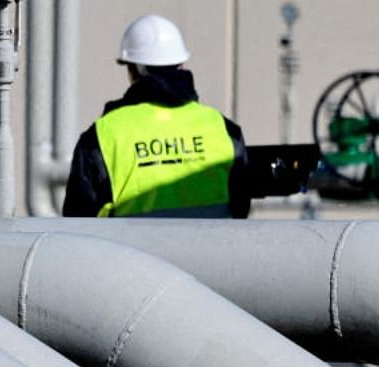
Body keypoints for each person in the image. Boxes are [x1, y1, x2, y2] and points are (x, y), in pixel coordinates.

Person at [63, 14, 250, 218]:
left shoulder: (103, 136)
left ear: (132, 70)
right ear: (182, 65)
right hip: (212, 249)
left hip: (128, 250)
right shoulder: (222, 129)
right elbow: (241, 207)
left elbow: (77, 221)